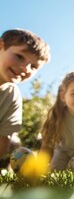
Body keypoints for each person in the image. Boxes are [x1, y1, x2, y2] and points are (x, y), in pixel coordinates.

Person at [0, 29, 50, 163]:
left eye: (33, 66)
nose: (25, 68)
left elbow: (2, 146)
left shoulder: (12, 95)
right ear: (1, 46)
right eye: (20, 56)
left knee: (16, 146)